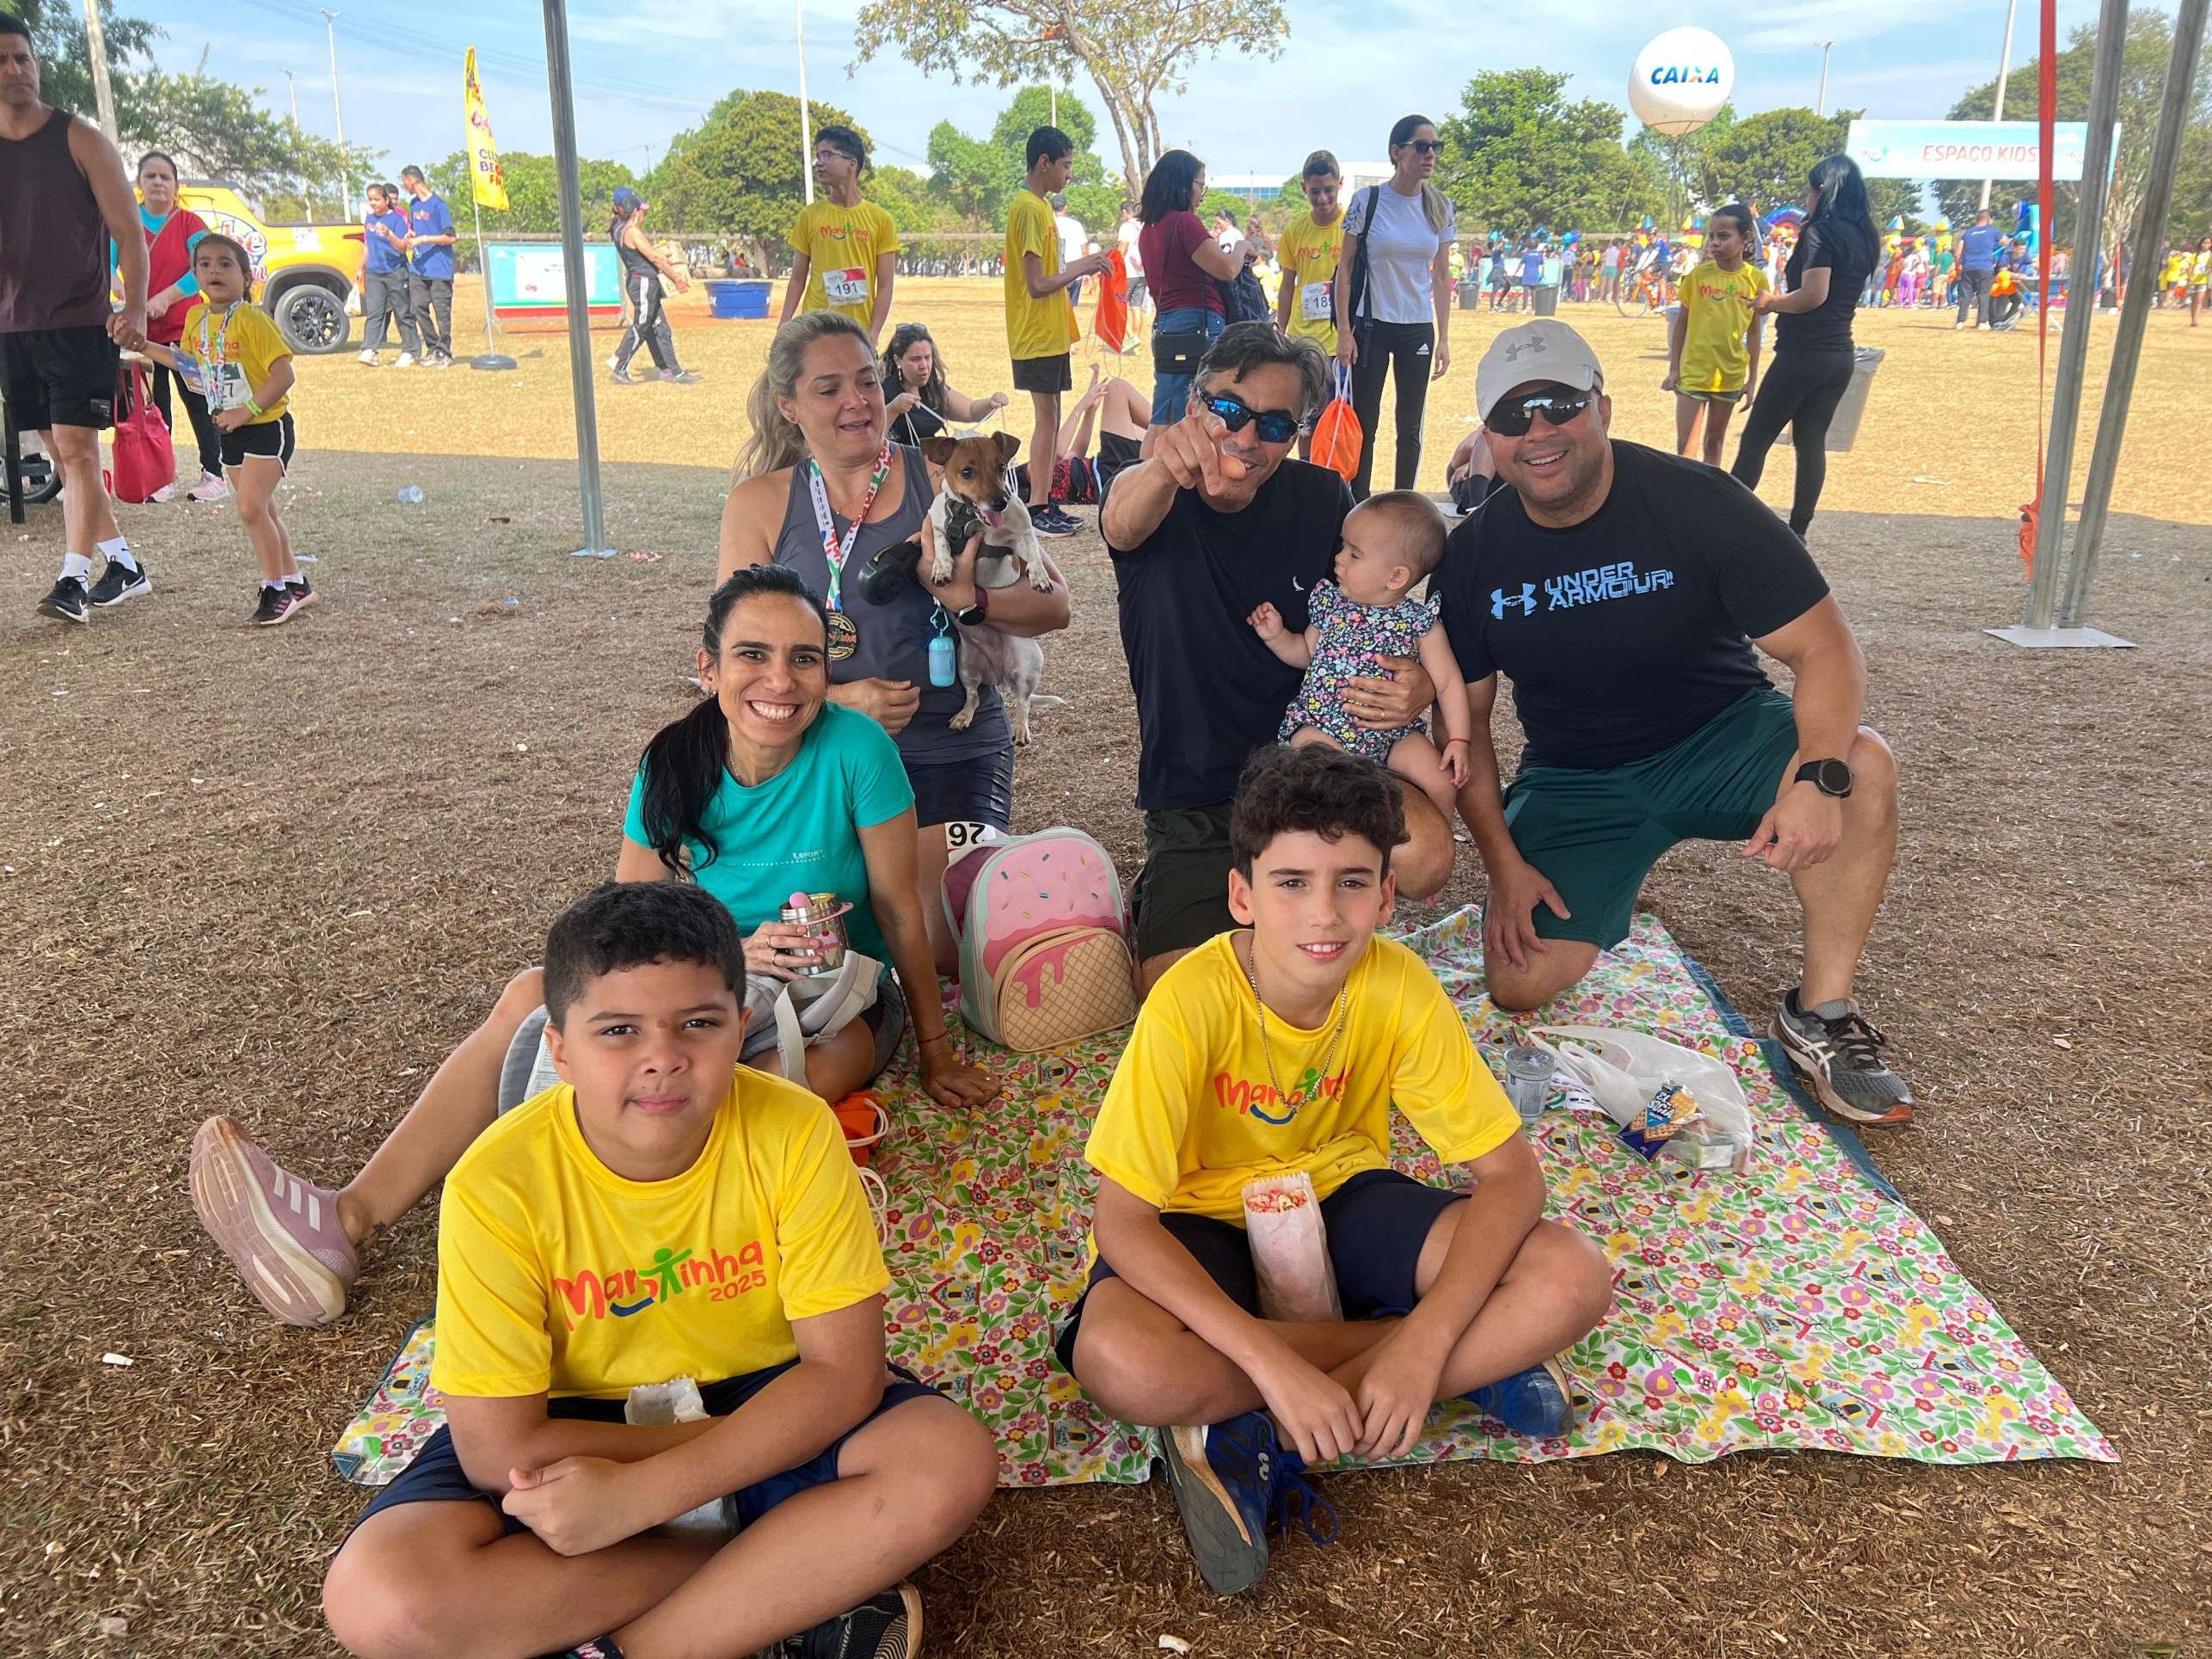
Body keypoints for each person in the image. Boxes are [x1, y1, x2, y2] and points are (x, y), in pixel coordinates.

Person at [187, 561, 1002, 1327]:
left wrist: (934, 1048)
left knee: (767, 1082)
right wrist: (728, 952)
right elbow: (627, 920)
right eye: (752, 655)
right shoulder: (674, 762)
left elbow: (898, 907)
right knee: (529, 999)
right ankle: (346, 1220)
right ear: (708, 666)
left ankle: (584, 1232)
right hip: (705, 979)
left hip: (840, 1000)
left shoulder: (858, 751)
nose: (781, 682)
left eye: (805, 659)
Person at [318, 882, 998, 1659]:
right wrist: (638, 1487)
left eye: (699, 1024)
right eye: (618, 1030)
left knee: (945, 1460)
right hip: (583, 1432)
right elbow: (494, 1447)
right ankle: (789, 1583)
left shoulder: (796, 1128)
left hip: (766, 1400)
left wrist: (645, 1495)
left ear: (741, 1027)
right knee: (383, 1600)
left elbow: (843, 1376)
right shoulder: (494, 1182)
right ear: (559, 1050)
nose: (663, 1059)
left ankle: (638, 1645)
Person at [1055, 742, 1612, 1595]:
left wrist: (1423, 1348)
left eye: (1352, 881)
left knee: (1570, 1276)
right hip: (1200, 1220)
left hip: (1341, 1196)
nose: (1324, 914)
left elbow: (1511, 1177)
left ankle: (1252, 1432)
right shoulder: (1187, 1001)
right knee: (1123, 1362)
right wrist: (1278, 1365)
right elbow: (1123, 1219)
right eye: (1291, 883)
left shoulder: (1399, 984)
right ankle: (1472, 1363)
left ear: (1387, 895)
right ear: (1241, 895)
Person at [1437, 317, 1914, 1128]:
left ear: (1605, 407)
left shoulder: (1699, 500)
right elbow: (1469, 730)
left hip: (1720, 735)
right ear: (1489, 437)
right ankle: (1605, 878)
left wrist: (1815, 777)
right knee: (1518, 984)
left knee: (1862, 766)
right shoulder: (1476, 552)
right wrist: (1504, 862)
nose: (1539, 431)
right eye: (1513, 416)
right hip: (1575, 774)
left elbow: (1827, 648)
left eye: (1559, 404)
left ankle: (1822, 1013)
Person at [1099, 320, 1456, 996]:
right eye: (1227, 409)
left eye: (1275, 424)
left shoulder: (1324, 500)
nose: (1244, 437)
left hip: (1316, 772)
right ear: (1195, 402)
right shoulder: (1152, 491)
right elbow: (1120, 522)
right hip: (1198, 797)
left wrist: (1418, 685)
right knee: (1185, 998)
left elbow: (1390, 592)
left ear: (1297, 432)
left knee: (1427, 858)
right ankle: (1205, 901)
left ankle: (1292, 904)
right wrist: (1164, 463)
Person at [722, 310, 1071, 975]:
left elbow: (1057, 608)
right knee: (833, 941)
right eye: (829, 389)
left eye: (865, 382)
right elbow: (735, 660)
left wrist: (973, 600)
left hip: (950, 749)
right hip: (822, 759)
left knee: (947, 950)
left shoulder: (948, 474)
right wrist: (838, 699)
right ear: (788, 405)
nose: (856, 402)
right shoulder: (760, 504)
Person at [2, 11, 151, 624]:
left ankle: (71, 579)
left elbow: (130, 233)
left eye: (23, 58)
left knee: (78, 449)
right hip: (13, 325)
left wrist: (136, 306)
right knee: (59, 452)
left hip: (79, 319)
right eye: (2, 61)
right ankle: (123, 563)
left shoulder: (80, 138)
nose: (16, 71)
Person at [1249, 489, 1472, 823]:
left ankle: (1427, 849)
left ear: (1396, 576)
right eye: (1343, 546)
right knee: (1325, 775)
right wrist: (1277, 636)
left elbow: (1448, 682)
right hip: (1322, 726)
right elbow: (1305, 654)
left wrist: (1458, 738)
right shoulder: (1331, 604)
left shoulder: (1420, 622)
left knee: (1441, 781)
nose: (1338, 558)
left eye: (1355, 554)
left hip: (1393, 735)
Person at [128, 235, 314, 625]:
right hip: (228, 429)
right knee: (264, 510)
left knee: (250, 509)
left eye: (226, 264)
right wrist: (143, 345)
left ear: (245, 277)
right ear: (195, 275)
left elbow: (284, 374)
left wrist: (244, 412)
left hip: (265, 427)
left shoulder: (252, 319)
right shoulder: (197, 318)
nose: (215, 271)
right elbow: (188, 363)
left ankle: (275, 588)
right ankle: (296, 582)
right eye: (206, 264)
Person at [1730, 155, 1881, 541]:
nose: (1808, 198)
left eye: (1811, 190)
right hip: (1839, 354)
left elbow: (1814, 294)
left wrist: (1771, 302)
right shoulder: (1864, 235)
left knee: (1755, 439)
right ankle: (1799, 530)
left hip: (1804, 352)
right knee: (1810, 441)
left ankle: (1726, 522)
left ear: (1823, 191)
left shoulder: (1820, 233)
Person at [1332, 114, 1455, 501]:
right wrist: (1345, 332)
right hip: (1371, 326)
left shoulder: (1440, 207)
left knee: (1410, 427)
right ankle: (1357, 502)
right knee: (1365, 422)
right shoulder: (1367, 202)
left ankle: (1404, 503)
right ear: (1397, 152)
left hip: (1417, 328)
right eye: (1422, 146)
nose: (1430, 154)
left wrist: (1445, 339)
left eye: (1436, 147)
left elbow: (1441, 277)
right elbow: (1345, 270)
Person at [1005, 126, 1109, 538]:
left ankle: (1044, 502)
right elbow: (1036, 283)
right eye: (1065, 165)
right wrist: (1084, 266)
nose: (1068, 174)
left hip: (1049, 332)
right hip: (1034, 332)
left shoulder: (1042, 209)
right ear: (1044, 162)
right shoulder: (1029, 208)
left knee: (1052, 416)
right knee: (1046, 419)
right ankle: (1038, 506)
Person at [120, 150, 224, 503]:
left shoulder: (190, 224)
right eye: (151, 176)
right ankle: (160, 475)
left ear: (176, 184)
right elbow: (105, 267)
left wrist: (165, 298)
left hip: (186, 329)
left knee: (198, 399)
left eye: (165, 176)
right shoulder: (125, 222)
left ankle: (214, 473)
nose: (158, 183)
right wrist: (131, 297)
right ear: (139, 183)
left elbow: (204, 269)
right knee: (154, 405)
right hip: (143, 333)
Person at [1136, 150, 1248, 426]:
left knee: (1163, 418)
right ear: (1183, 184)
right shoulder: (1185, 222)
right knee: (1200, 416)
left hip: (1166, 327)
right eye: (1200, 185)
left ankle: (1148, 468)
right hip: (1198, 324)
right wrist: (1242, 247)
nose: (1201, 194)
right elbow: (1227, 269)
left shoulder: (1148, 230)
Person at [1662, 201, 1765, 468]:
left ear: (1745, 238)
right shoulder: (1697, 277)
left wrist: (1752, 379)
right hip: (1693, 372)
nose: (1714, 243)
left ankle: (1709, 503)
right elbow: (1681, 326)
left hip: (1729, 376)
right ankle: (1684, 504)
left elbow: (1755, 333)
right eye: (1712, 236)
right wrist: (1674, 369)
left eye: (1724, 236)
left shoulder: (1757, 280)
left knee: (1714, 444)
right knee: (1685, 449)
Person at [779, 125, 898, 345]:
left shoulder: (881, 219)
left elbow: (885, 286)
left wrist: (872, 335)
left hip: (858, 334)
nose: (819, 162)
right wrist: (784, 325)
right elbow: (797, 278)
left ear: (852, 164)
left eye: (827, 155)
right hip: (815, 330)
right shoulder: (809, 216)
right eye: (817, 156)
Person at [1272, 151, 1345, 461]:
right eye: (1315, 191)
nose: (1323, 199)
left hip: (1339, 341)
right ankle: (1306, 471)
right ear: (1305, 188)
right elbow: (1288, 284)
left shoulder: (1351, 227)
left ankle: (1332, 476)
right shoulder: (1295, 231)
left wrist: (1347, 332)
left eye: (1329, 190)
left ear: (1340, 185)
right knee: (1305, 417)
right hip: (1304, 339)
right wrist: (1281, 330)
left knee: (1335, 417)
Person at [609, 187, 700, 387]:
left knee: (659, 328)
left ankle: (670, 371)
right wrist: (677, 278)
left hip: (641, 281)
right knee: (642, 325)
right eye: (640, 210)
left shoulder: (619, 228)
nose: (643, 214)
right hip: (642, 283)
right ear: (632, 209)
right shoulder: (631, 231)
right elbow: (655, 258)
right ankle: (619, 364)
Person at [880, 321, 1008, 449]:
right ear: (898, 360)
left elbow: (970, 411)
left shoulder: (932, 388)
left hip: (930, 463)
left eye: (927, 357)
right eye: (916, 359)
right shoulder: (883, 391)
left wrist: (990, 403)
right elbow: (873, 436)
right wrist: (893, 409)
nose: (924, 366)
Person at [357, 181, 421, 371]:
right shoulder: (369, 220)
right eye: (370, 200)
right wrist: (361, 267)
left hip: (395, 271)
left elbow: (402, 247)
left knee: (403, 312)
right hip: (374, 273)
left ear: (386, 200)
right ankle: (369, 349)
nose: (374, 203)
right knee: (375, 312)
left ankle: (410, 350)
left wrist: (389, 234)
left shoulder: (396, 220)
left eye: (377, 199)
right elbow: (367, 245)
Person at [400, 163, 457, 368]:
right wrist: (412, 235)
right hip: (418, 268)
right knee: (417, 308)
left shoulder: (438, 205)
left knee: (442, 312)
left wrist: (423, 239)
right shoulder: (414, 205)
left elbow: (451, 238)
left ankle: (445, 352)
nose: (404, 185)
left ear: (413, 180)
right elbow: (416, 229)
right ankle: (433, 347)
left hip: (439, 269)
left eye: (404, 181)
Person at [1955, 207, 2002, 330]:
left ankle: (1960, 322)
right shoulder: (1993, 231)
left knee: (1965, 295)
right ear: (1988, 219)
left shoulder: (1967, 233)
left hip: (1968, 267)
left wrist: (1958, 266)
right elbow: (2006, 242)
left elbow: (1957, 254)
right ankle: (1982, 322)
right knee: (1984, 294)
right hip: (1985, 266)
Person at [1053, 191, 1087, 308]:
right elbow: (1084, 251)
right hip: (1076, 273)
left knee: (1059, 309)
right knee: (1070, 309)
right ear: (1066, 207)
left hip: (1057, 273)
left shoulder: (1050, 225)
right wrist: (1086, 272)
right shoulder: (1076, 225)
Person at [2192, 235, 2211, 328]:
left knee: (2199, 300)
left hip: (2203, 280)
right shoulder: (2196, 255)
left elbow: (2210, 267)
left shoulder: (2210, 255)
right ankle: (2193, 318)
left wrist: (2206, 273)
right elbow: (2191, 266)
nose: (2205, 245)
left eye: (2207, 243)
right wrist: (2190, 277)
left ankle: (2196, 319)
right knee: (2194, 300)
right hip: (2194, 280)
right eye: (2204, 243)